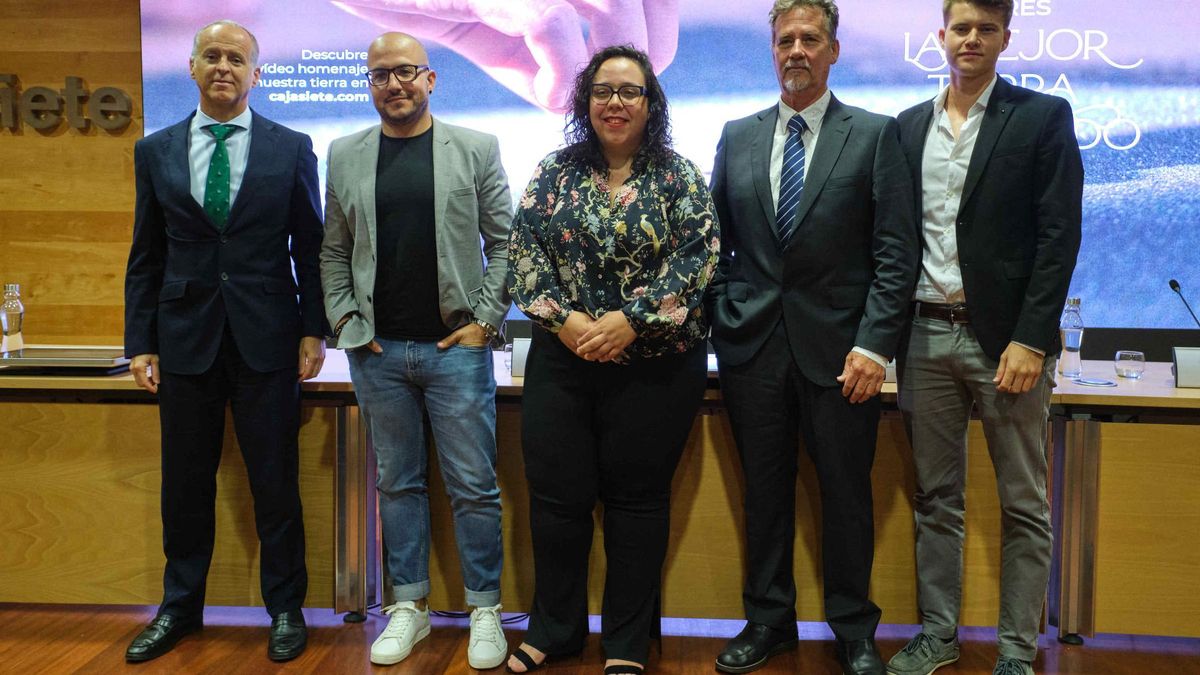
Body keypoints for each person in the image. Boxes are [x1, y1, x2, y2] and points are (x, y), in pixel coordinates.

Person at [707, 1, 919, 673]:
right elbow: (715, 247)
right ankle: (769, 620)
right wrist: (722, 317)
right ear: (773, 50)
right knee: (764, 494)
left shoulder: (877, 135)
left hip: (843, 357)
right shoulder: (737, 135)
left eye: (810, 38)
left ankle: (854, 628)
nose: (796, 49)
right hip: (752, 351)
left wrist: (874, 345)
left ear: (833, 50)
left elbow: (895, 254)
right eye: (785, 39)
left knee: (846, 494)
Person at [506, 45, 719, 675]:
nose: (615, 102)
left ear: (651, 104)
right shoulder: (553, 173)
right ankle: (556, 630)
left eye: (630, 91)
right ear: (585, 101)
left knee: (637, 504)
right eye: (604, 91)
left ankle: (626, 643)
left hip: (655, 367)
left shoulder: (678, 176)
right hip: (562, 363)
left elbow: (700, 258)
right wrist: (567, 321)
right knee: (556, 502)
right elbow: (523, 255)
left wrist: (633, 320)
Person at [886, 2, 1083, 674]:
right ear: (940, 37)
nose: (972, 39)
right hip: (924, 337)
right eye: (961, 28)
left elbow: (1059, 237)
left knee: (1024, 502)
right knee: (935, 499)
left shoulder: (1041, 117)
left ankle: (1017, 652)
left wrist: (1031, 338)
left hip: (1008, 346)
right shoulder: (909, 128)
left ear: (1005, 38)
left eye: (986, 29)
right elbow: (897, 242)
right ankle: (939, 637)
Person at [123, 20, 325, 663]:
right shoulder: (154, 151)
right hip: (184, 343)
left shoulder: (291, 147)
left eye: (236, 57)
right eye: (211, 56)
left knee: (275, 483)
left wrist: (312, 329)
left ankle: (287, 609)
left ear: (256, 73)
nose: (223, 66)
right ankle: (179, 608)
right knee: (183, 487)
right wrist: (141, 342)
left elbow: (310, 249)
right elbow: (145, 255)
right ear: (190, 68)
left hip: (267, 340)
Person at [319, 32, 513, 670]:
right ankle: (410, 606)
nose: (394, 84)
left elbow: (505, 243)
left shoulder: (476, 148)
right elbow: (333, 251)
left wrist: (486, 319)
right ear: (369, 85)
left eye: (406, 72)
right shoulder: (344, 154)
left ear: (431, 80)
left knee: (474, 487)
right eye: (380, 75)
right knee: (396, 484)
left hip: (455, 347)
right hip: (376, 352)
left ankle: (485, 608)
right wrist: (347, 320)